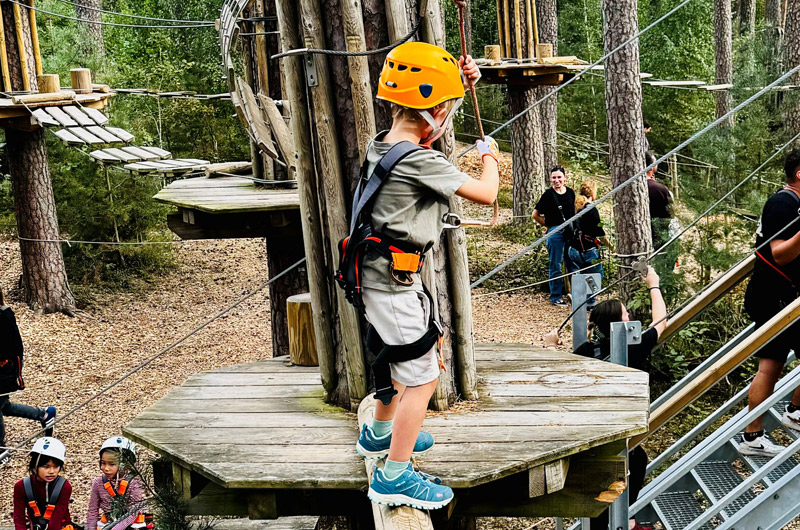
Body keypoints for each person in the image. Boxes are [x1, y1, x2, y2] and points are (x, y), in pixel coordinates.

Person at [351, 41, 499, 510]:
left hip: (379, 275)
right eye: (446, 109)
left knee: (401, 355)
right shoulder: (420, 160)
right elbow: (486, 194)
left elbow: (430, 126)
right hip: (392, 282)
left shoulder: (385, 144)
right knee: (423, 374)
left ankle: (380, 433)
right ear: (434, 111)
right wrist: (491, 157)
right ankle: (394, 476)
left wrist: (461, 88)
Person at [572, 266, 666, 530]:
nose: (630, 316)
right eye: (626, 313)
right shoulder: (632, 348)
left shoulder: (587, 350)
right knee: (633, 463)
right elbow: (661, 322)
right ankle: (623, 521)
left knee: (611, 474)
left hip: (591, 429)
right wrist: (654, 285)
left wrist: (550, 345)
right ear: (619, 322)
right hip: (618, 429)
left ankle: (618, 520)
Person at [740, 149, 800, 457]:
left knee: (771, 364)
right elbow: (780, 253)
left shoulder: (792, 203)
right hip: (774, 296)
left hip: (777, 295)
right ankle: (793, 413)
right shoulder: (783, 203)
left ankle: (754, 436)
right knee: (770, 365)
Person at [0, 285, 56, 465]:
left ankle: (2, 451)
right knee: (4, 407)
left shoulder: (4, 315)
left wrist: (5, 363)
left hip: (5, 370)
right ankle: (44, 415)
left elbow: (15, 347)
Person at [532, 166, 579, 306]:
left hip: (570, 232)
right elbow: (535, 214)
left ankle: (577, 295)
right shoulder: (548, 195)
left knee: (573, 262)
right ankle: (556, 296)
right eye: (554, 177)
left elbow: (574, 212)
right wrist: (548, 226)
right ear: (550, 179)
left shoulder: (570, 192)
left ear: (564, 178)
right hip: (555, 232)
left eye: (559, 177)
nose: (557, 180)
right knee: (555, 264)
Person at [567, 180, 612, 307]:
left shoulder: (575, 207)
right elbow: (600, 233)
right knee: (596, 276)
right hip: (588, 249)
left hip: (573, 249)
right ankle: (589, 302)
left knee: (579, 273)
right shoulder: (591, 210)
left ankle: (578, 296)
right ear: (593, 193)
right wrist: (611, 247)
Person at [13, 437, 74, 530]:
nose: (52, 471)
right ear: (34, 467)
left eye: (56, 466)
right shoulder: (21, 486)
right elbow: (19, 517)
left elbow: (57, 519)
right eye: (46, 467)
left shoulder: (64, 487)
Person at [86, 436, 146, 530]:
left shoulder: (133, 483)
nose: (106, 468)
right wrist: (90, 528)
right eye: (103, 463)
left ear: (124, 465)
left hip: (131, 525)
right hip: (108, 524)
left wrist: (116, 528)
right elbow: (92, 511)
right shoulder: (98, 483)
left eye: (112, 464)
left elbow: (134, 512)